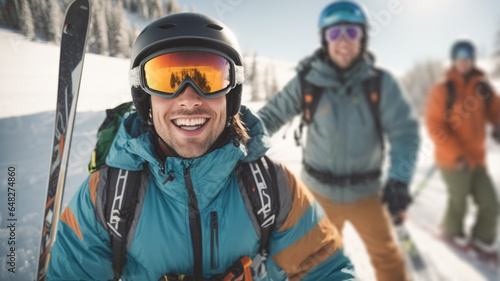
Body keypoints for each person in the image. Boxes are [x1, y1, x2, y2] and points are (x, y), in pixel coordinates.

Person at [46, 13, 356, 281]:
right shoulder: (106, 194)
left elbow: (325, 270)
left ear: (231, 94)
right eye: (168, 79)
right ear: (145, 97)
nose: (189, 99)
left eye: (207, 78)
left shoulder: (273, 186)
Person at [257, 1, 419, 280]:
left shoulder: (380, 84)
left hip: (367, 193)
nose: (343, 42)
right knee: (306, 264)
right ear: (324, 39)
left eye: (351, 33)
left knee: (389, 261)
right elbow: (268, 118)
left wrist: (399, 179)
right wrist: (239, 143)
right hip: (318, 194)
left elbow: (404, 133)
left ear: (363, 38)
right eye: (335, 34)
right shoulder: (308, 82)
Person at [425, 40, 500, 262]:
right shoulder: (443, 89)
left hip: (477, 159)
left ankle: (482, 241)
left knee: (491, 204)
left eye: (468, 55)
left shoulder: (482, 87)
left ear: (473, 59)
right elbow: (435, 125)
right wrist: (456, 154)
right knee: (459, 202)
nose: (463, 60)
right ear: (453, 60)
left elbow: (496, 110)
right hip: (452, 159)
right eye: (459, 55)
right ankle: (451, 233)